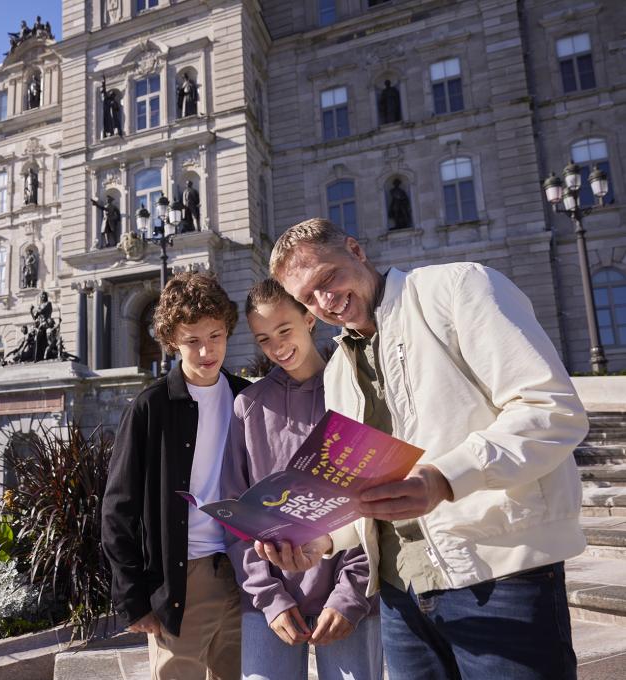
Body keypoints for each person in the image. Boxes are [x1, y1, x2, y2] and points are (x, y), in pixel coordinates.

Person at [261, 217, 588, 679]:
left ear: (356, 250)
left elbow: (551, 410)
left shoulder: (459, 288)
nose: (325, 301)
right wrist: (320, 541)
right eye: (308, 298)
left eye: (328, 278)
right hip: (400, 595)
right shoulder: (337, 371)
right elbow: (358, 493)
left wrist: (444, 479)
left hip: (501, 577)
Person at [223, 279, 382, 680]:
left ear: (309, 318)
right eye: (263, 339)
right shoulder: (248, 407)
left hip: (349, 601)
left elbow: (372, 504)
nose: (277, 347)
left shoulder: (352, 395)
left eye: (284, 330)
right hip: (270, 605)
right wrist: (269, 598)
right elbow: (234, 515)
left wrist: (350, 596)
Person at [102, 272, 250, 680]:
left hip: (243, 573)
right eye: (192, 340)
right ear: (172, 341)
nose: (206, 350)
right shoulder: (150, 407)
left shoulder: (247, 398)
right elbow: (118, 509)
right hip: (182, 581)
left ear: (228, 329)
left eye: (215, 336)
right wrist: (133, 600)